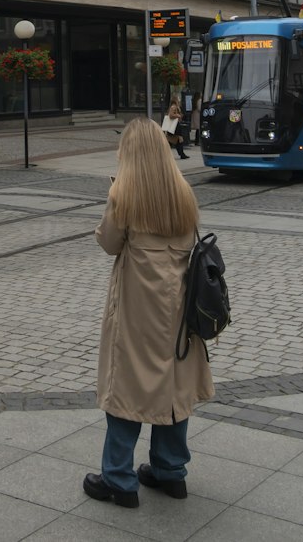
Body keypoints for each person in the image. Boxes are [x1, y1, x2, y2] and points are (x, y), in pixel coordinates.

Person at [83, 119, 214, 508]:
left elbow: (108, 243)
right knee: (173, 381)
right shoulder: (183, 192)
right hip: (179, 306)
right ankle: (170, 472)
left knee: (128, 383)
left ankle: (118, 479)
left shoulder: (124, 194)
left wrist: (112, 194)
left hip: (139, 307)